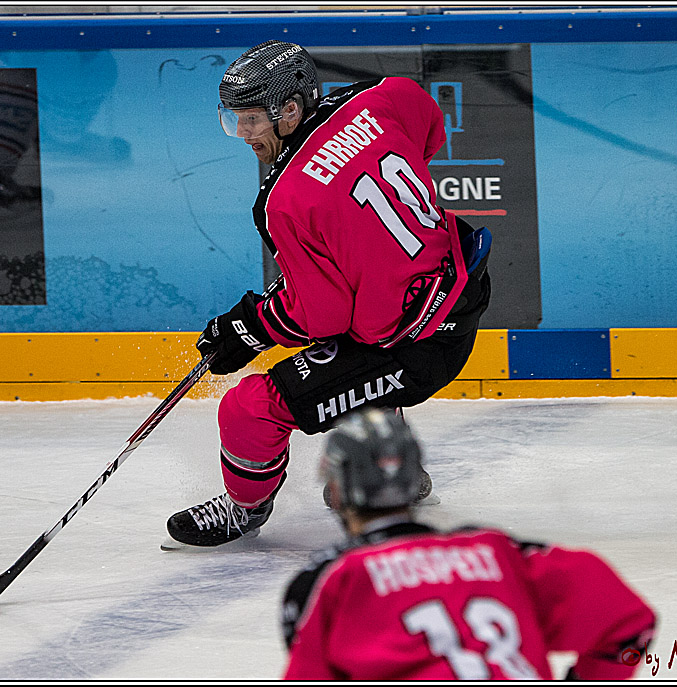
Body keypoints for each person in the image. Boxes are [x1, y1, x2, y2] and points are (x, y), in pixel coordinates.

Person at [164, 41, 492, 549]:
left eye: (252, 119)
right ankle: (391, 469)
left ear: (290, 110)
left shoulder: (283, 201)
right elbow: (427, 124)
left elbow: (324, 317)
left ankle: (244, 509)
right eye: (237, 120)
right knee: (357, 349)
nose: (245, 133)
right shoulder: (378, 98)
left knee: (248, 408)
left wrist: (247, 328)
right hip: (462, 291)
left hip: (414, 347)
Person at [281, 407, 658, 680]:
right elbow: (632, 628)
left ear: (337, 488)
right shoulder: (500, 552)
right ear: (416, 478)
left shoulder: (327, 581)